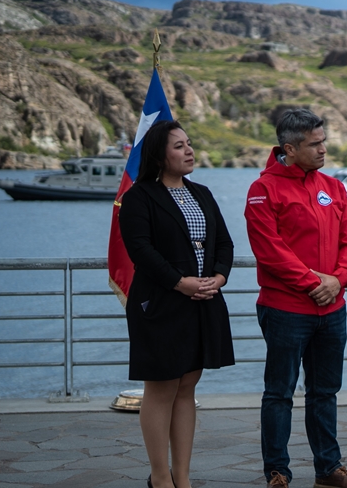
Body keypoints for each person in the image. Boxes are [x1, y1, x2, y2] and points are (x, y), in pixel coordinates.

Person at [245, 109, 347, 488]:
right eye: (315, 144)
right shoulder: (262, 190)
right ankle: (277, 472)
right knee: (279, 393)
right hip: (286, 309)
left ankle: (328, 470)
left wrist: (340, 279)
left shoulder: (333, 187)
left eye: (323, 141)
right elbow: (270, 250)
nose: (323, 149)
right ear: (289, 148)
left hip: (333, 309)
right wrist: (315, 283)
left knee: (325, 392)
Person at [119, 120, 235, 488]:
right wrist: (179, 282)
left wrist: (218, 277)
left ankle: (181, 478)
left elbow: (224, 245)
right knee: (162, 387)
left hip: (203, 301)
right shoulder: (139, 196)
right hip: (160, 304)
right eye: (179, 146)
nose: (189, 151)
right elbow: (141, 250)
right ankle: (160, 477)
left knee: (188, 385)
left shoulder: (202, 192)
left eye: (189, 144)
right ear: (159, 154)